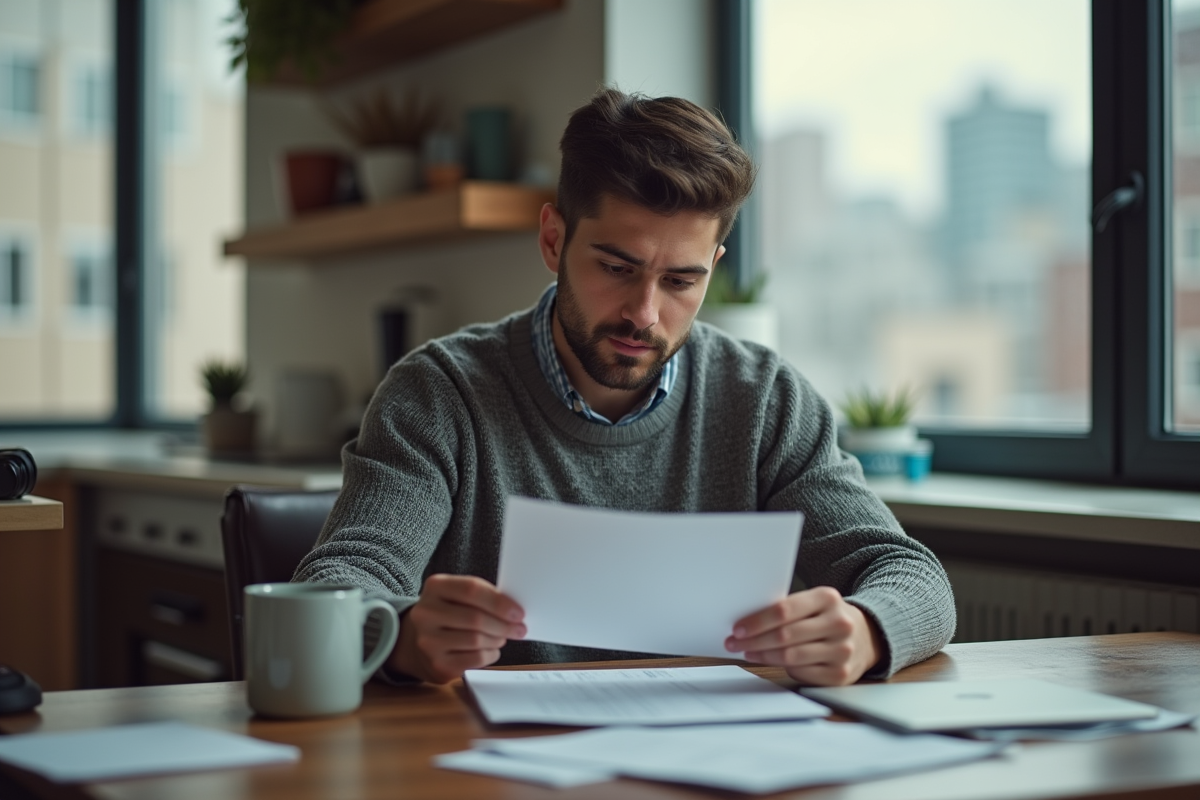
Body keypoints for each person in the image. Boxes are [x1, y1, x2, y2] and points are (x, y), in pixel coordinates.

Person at [293, 87, 955, 686]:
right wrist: (404, 636)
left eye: (680, 281)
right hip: (496, 764)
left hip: (719, 763)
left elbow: (914, 578)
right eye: (617, 266)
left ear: (713, 268)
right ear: (553, 240)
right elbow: (336, 584)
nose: (645, 313)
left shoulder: (765, 401)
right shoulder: (439, 396)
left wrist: (866, 631)